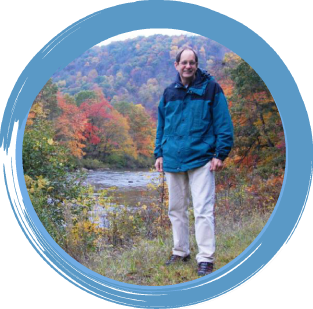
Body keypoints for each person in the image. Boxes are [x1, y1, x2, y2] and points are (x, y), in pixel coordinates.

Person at [154, 46, 234, 276]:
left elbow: (223, 123)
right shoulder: (169, 92)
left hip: (202, 158)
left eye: (192, 62)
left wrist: (221, 153)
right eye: (184, 62)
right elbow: (161, 126)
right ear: (176, 65)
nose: (188, 66)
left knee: (203, 210)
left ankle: (206, 258)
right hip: (172, 159)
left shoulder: (211, 89)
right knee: (176, 209)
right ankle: (180, 251)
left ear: (196, 65)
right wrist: (158, 153)